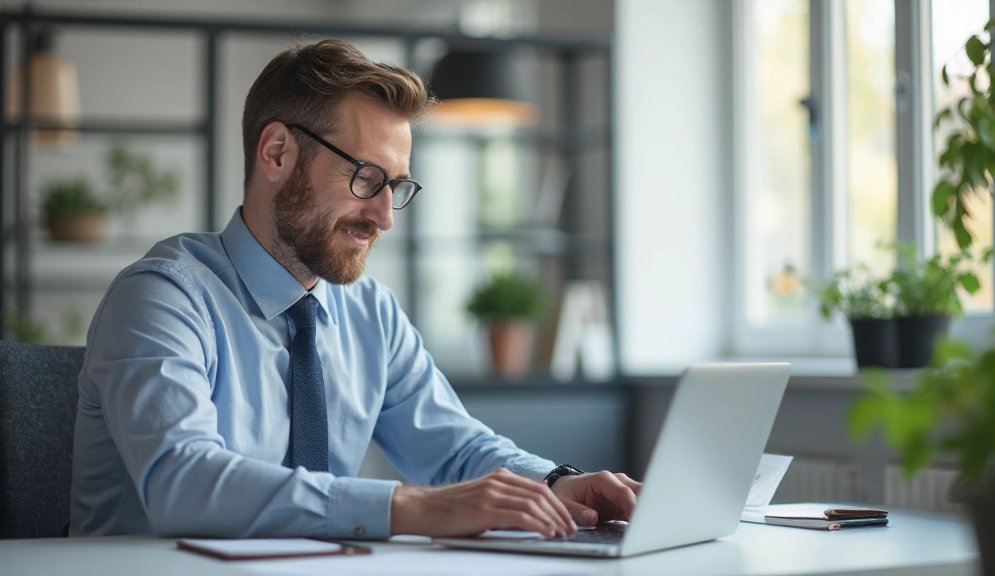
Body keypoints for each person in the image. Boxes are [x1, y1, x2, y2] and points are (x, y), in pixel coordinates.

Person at [69, 38, 640, 540]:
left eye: (396, 186)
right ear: (276, 153)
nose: (384, 217)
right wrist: (408, 506)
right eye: (365, 178)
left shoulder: (371, 313)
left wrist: (558, 483)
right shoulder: (163, 298)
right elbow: (183, 483)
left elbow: (457, 450)